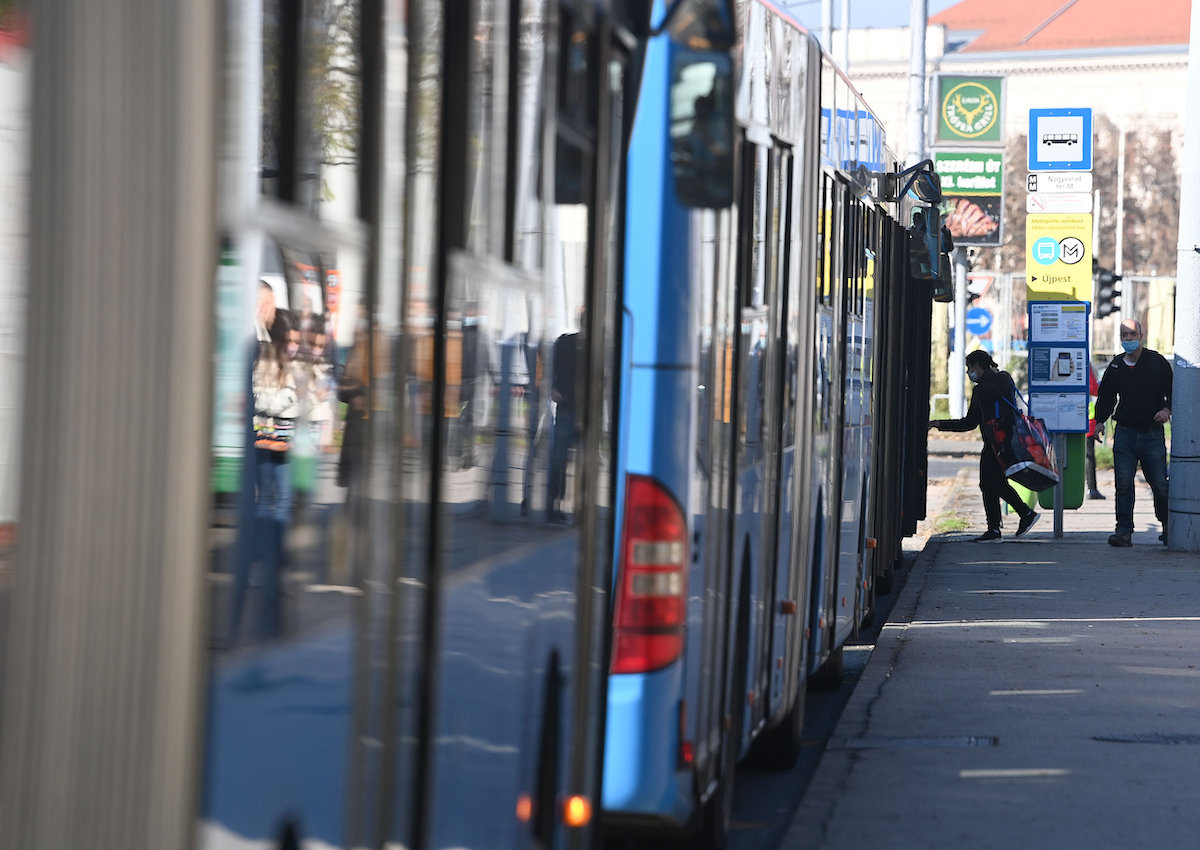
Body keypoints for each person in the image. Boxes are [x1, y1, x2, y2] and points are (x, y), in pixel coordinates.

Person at [929, 350, 1040, 542]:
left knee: (990, 483)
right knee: (992, 483)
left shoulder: (981, 390)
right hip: (1009, 440)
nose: (968, 373)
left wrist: (939, 424)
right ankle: (1002, 524)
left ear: (978, 365)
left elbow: (969, 423)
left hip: (994, 443)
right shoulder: (1004, 379)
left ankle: (1017, 517)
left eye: (969, 368)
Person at [1093, 318, 1172, 547]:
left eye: (1131, 334)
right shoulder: (1116, 366)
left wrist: (1167, 409)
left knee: (1159, 484)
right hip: (1125, 433)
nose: (1128, 339)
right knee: (1124, 483)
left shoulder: (1156, 362)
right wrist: (1099, 421)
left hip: (1152, 434)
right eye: (1124, 335)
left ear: (1141, 335)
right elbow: (1106, 396)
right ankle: (1124, 531)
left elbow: (1171, 390)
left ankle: (1168, 526)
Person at [1085, 363, 1105, 500]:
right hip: (1087, 419)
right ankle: (1091, 488)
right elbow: (1093, 388)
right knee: (1089, 456)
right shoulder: (1085, 364)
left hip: (1079, 418)